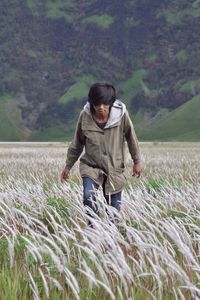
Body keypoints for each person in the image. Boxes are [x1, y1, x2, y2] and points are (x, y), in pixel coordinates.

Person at [61, 82, 141, 226]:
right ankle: (94, 228)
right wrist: (68, 166)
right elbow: (77, 143)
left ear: (110, 102)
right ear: (92, 102)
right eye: (97, 104)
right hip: (91, 166)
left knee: (113, 210)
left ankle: (111, 237)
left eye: (104, 104)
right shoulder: (84, 116)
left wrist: (137, 161)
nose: (101, 107)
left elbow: (131, 137)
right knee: (88, 196)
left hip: (114, 168)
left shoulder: (121, 115)